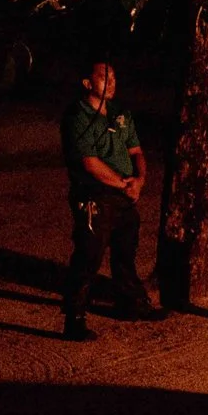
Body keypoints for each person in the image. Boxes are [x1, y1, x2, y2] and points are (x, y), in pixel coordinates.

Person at [60, 61, 163, 340]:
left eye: (114, 76)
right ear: (87, 83)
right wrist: (123, 184)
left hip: (123, 194)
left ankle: (130, 303)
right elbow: (90, 163)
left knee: (125, 252)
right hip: (95, 195)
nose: (112, 82)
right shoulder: (78, 116)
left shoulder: (120, 113)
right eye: (104, 77)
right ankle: (74, 317)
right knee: (88, 256)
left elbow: (137, 151)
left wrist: (139, 181)